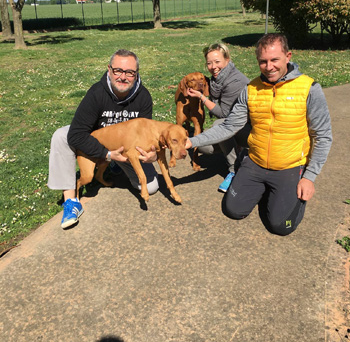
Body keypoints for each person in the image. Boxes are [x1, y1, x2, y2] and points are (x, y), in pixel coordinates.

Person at [186, 34, 332, 236]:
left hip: (289, 165)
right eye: (263, 61)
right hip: (256, 161)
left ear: (288, 56)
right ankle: (259, 182)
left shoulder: (309, 88)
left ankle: (281, 193)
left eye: (275, 60)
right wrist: (190, 141)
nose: (269, 66)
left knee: (280, 225)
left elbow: (323, 136)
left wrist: (310, 177)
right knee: (233, 210)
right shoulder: (251, 89)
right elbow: (229, 126)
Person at [48, 49, 158, 229]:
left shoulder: (143, 97)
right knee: (61, 136)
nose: (123, 77)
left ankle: (114, 167)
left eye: (130, 72)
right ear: (109, 70)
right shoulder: (97, 93)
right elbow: (77, 134)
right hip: (98, 141)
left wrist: (152, 154)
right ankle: (71, 201)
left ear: (136, 74)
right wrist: (106, 154)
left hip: (126, 149)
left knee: (151, 187)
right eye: (118, 71)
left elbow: (145, 135)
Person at [187, 42, 250, 192]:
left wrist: (202, 97)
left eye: (217, 62)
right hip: (235, 124)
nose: (213, 66)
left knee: (218, 125)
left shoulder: (235, 81)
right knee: (203, 146)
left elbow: (224, 114)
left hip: (250, 128)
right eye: (209, 63)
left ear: (227, 60)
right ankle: (237, 150)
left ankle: (235, 170)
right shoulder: (218, 79)